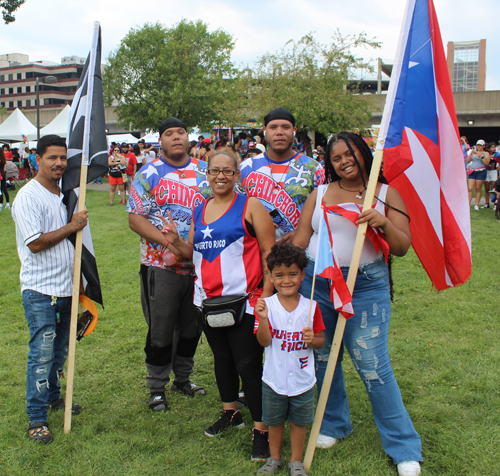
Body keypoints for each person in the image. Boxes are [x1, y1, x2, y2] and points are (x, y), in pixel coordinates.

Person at [293, 131, 422, 476]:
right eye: (336, 158)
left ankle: (404, 446)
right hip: (317, 284)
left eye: (349, 154)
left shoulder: (385, 194)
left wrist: (381, 222)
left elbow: (402, 246)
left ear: (364, 153)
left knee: (372, 364)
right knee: (322, 357)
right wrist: (267, 249)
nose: (344, 161)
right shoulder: (319, 194)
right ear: (329, 163)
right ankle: (334, 423)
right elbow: (302, 239)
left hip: (365, 287)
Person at [161, 146, 276, 461]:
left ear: (237, 175)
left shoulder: (251, 206)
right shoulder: (200, 208)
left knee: (249, 366)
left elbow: (270, 254)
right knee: (222, 360)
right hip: (208, 302)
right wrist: (176, 241)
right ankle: (231, 413)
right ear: (207, 175)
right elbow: (193, 253)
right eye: (215, 171)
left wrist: (266, 296)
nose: (221, 176)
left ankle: (261, 431)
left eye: (228, 170)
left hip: (246, 301)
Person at [127, 117, 212, 411]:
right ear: (160, 141)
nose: (176, 137)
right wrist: (169, 242)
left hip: (200, 266)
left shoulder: (205, 172)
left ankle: (183, 378)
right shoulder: (148, 173)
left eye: (181, 132)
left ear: (189, 137)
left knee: (192, 327)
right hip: (160, 266)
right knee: (161, 329)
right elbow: (135, 218)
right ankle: (157, 387)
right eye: (168, 134)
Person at [11, 134, 87, 444]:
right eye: (51, 157)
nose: (58, 163)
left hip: (66, 286)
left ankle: (55, 396)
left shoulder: (66, 194)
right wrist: (72, 226)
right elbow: (36, 243)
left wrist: (80, 278)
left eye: (62, 158)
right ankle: (37, 418)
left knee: (59, 351)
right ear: (37, 159)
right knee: (41, 355)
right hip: (40, 289)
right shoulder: (28, 197)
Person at [255, 242, 325, 476]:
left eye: (293, 274)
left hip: (303, 381)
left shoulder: (311, 307)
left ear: (303, 275)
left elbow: (321, 342)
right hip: (274, 379)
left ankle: (296, 462)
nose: (287, 280)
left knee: (298, 422)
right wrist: (263, 319)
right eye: (279, 275)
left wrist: (312, 339)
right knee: (274, 422)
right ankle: (274, 458)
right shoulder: (268, 306)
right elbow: (263, 342)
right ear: (271, 277)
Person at [238, 107, 324, 242]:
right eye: (273, 127)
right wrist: (253, 218)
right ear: (264, 131)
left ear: (294, 131)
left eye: (285, 127)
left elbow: (324, 213)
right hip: (256, 250)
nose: (279, 132)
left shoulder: (314, 168)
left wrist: (303, 233)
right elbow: (233, 207)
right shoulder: (245, 167)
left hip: (301, 252)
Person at [466, 139, 490, 211]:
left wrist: (481, 156)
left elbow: (487, 163)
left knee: (478, 189)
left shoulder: (486, 153)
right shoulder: (473, 153)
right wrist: (471, 154)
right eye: (478, 145)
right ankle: (468, 204)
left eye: (480, 145)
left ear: (483, 146)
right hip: (473, 171)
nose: (479, 147)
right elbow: (467, 161)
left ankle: (476, 204)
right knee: (470, 188)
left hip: (481, 171)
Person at [483, 142, 498, 209]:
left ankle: (495, 203)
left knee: (494, 189)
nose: (494, 148)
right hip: (487, 172)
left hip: (494, 172)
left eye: (494, 147)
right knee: (486, 189)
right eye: (492, 147)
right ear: (488, 148)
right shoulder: (486, 154)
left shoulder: (497, 155)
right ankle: (487, 203)